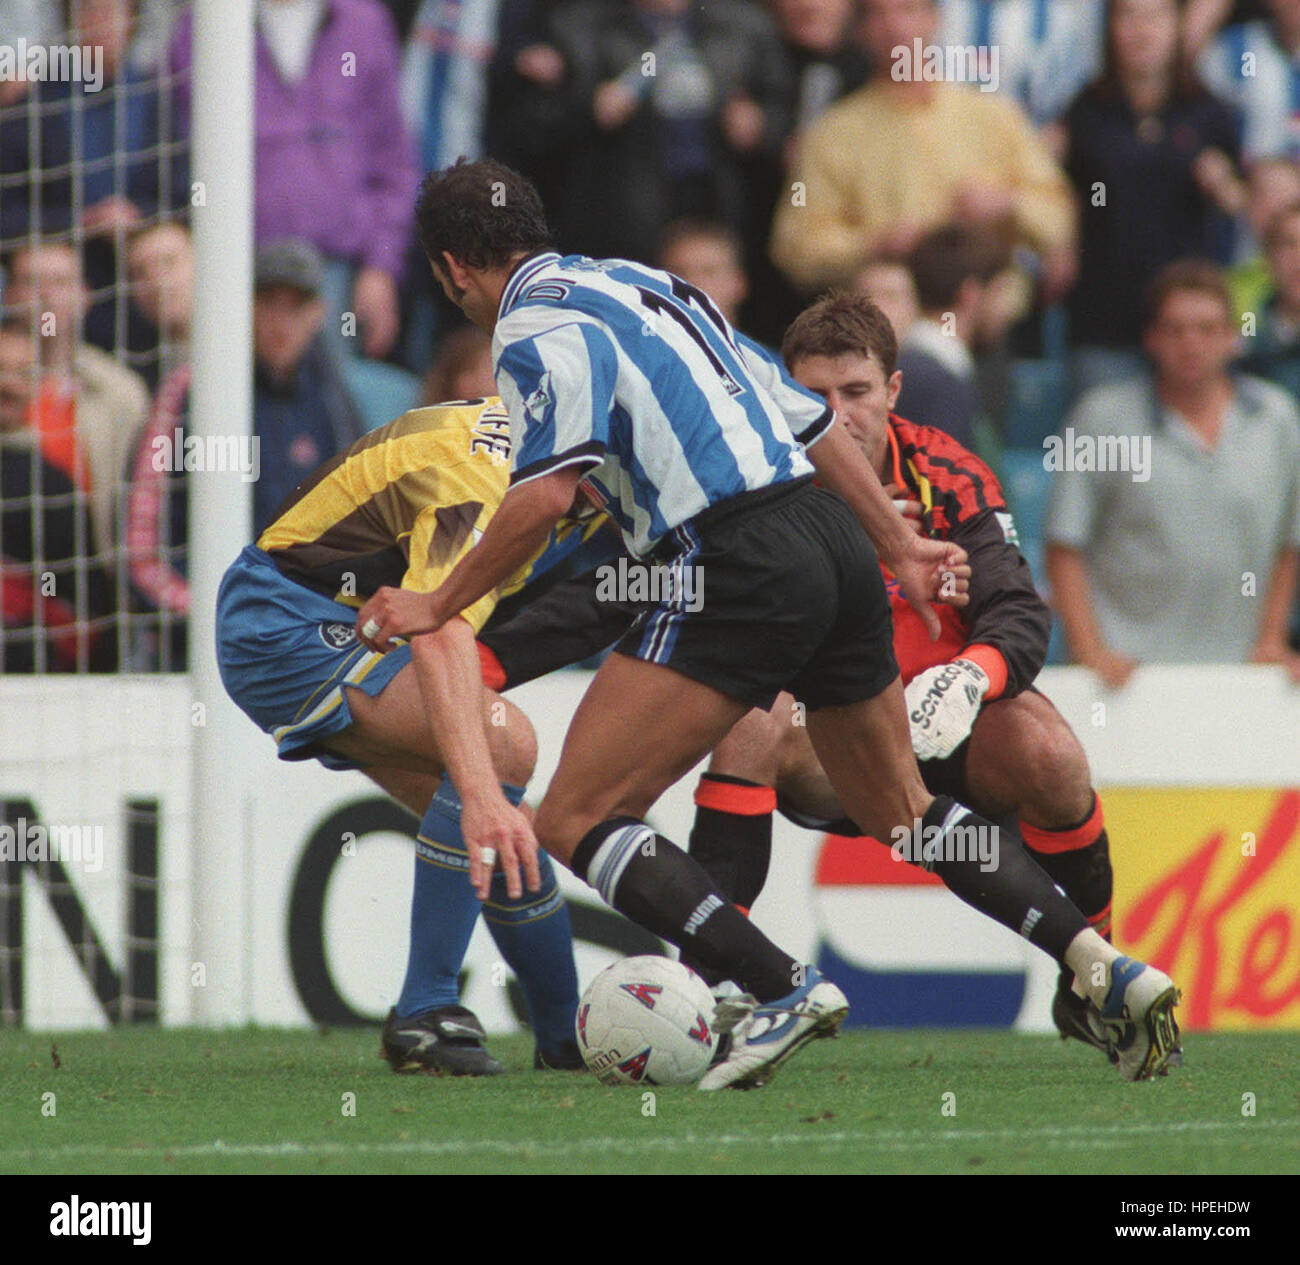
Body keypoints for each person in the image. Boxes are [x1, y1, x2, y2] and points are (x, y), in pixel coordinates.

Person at [356, 157, 1184, 1088]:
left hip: (728, 555)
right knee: (904, 809)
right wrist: (900, 552)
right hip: (827, 537)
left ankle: (776, 986)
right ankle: (1099, 963)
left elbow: (546, 496)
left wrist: (432, 600)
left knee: (577, 812)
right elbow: (813, 425)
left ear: (452, 268)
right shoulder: (649, 282)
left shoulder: (532, 327)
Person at [678, 293, 1121, 1059]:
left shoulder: (947, 471)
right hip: (830, 739)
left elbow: (1017, 611)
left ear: (893, 391)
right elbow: (727, 625)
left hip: (948, 729)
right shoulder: (754, 478)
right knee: (751, 718)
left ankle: (1096, 982)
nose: (837, 413)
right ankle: (714, 980)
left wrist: (971, 679)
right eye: (813, 395)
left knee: (1051, 752)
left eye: (855, 391)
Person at [216, 395, 619, 1074]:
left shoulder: (581, 454)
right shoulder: (482, 479)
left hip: (345, 619)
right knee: (503, 746)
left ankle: (562, 1041)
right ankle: (424, 1010)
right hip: (283, 621)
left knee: (505, 817)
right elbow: (439, 628)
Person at [1046, 258, 1300, 685]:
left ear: (1232, 338)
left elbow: (1289, 542)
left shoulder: (1276, 419)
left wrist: (1271, 639)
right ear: (1151, 338)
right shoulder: (1100, 419)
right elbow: (1064, 546)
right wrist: (1090, 651)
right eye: (1175, 329)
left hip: (1240, 672)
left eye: (1207, 328)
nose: (1191, 343)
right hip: (1125, 675)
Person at [769, 0, 1076, 295]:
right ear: (861, 30)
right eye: (878, 13)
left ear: (935, 19)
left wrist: (1008, 205)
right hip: (880, 328)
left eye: (908, 9)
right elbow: (795, 247)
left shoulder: (993, 115)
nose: (894, 26)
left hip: (988, 324)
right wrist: (874, 245)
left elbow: (1059, 215)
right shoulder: (834, 132)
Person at [1058, 0, 1246, 396]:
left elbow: (1240, 204)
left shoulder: (1209, 112)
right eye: (1128, 16)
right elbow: (1061, 199)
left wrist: (1223, 184)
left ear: (1178, 26)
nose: (1142, 30)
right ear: (1110, 29)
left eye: (1156, 16)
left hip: (1186, 322)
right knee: (1102, 446)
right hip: (1103, 317)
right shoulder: (1085, 110)